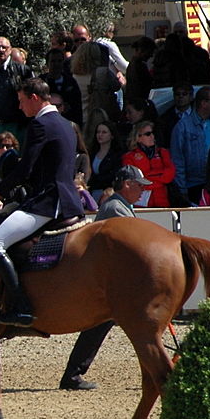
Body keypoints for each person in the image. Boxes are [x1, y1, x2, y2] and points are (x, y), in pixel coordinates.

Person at [0, 78, 84, 327]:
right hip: (69, 199)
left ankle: (21, 307)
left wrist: (0, 188)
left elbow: (26, 168)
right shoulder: (65, 123)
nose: (20, 107)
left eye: (21, 101)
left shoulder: (41, 124)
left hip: (50, 202)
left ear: (34, 98)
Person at [59, 165, 152, 390]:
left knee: (104, 324)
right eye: (139, 186)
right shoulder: (115, 208)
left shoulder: (121, 206)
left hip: (108, 282)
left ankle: (73, 374)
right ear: (127, 184)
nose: (142, 191)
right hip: (106, 283)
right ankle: (154, 371)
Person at [170, 86, 210, 204]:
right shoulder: (183, 126)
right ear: (204, 103)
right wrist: (182, 189)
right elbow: (177, 159)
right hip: (193, 185)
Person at [0, 36, 34, 140]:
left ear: (10, 49)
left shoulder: (22, 71)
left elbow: (29, 97)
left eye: (4, 47)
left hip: (16, 125)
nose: (1, 50)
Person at [121, 121, 176, 208]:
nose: (152, 136)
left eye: (152, 133)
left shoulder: (163, 152)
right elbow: (133, 181)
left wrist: (147, 177)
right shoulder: (129, 157)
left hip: (163, 202)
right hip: (140, 205)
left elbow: (169, 175)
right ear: (138, 138)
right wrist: (159, 180)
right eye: (148, 134)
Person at [40, 48, 83, 126]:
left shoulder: (71, 81)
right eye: (53, 61)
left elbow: (78, 106)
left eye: (59, 61)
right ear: (47, 63)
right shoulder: (41, 81)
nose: (56, 64)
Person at [86, 120, 123, 202]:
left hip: (107, 193)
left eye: (104, 132)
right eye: (98, 132)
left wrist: (95, 180)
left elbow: (114, 175)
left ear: (112, 135)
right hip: (92, 192)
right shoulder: (92, 153)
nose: (100, 135)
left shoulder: (116, 155)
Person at [124, 36, 155, 104]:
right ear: (141, 50)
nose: (151, 55)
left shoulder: (133, 64)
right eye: (150, 52)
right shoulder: (139, 66)